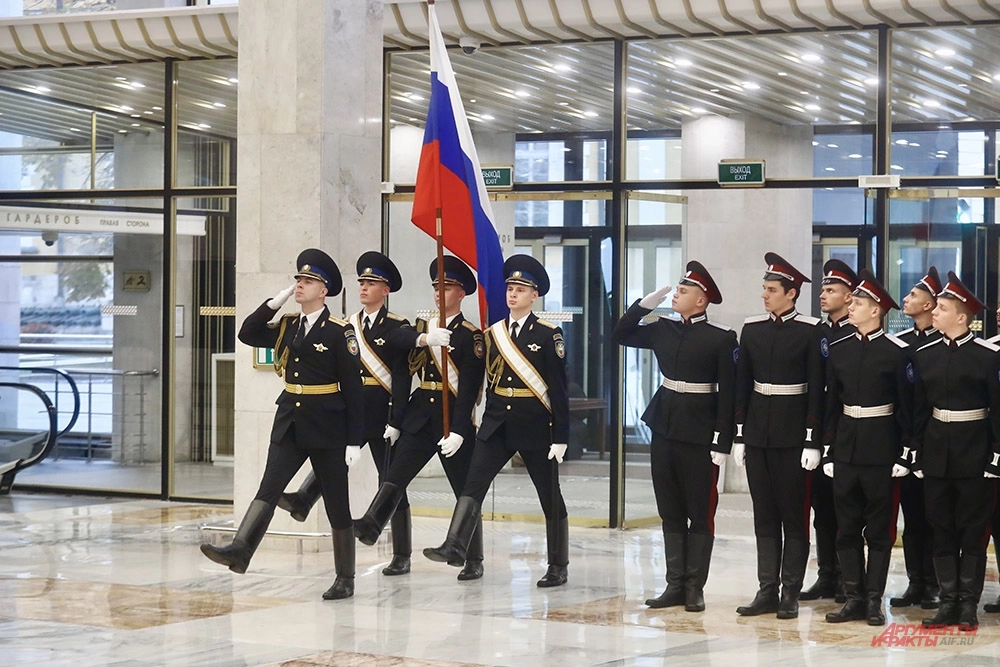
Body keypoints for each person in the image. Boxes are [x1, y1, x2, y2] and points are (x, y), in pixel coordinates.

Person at [200, 248, 365, 600]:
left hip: (328, 425)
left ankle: (345, 578)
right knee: (269, 487)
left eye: (307, 281)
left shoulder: (340, 331)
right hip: (291, 418)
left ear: (324, 290)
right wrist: (272, 304)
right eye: (298, 280)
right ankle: (241, 550)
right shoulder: (288, 324)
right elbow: (247, 333)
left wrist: (355, 440)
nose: (299, 285)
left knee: (337, 501)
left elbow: (354, 387)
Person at [424, 254, 570, 588]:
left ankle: (558, 565)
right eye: (510, 288)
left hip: (535, 426)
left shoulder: (549, 335)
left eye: (521, 289)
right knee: (473, 484)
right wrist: (462, 427)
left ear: (535, 296)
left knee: (549, 494)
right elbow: (475, 384)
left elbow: (559, 391)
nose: (513, 294)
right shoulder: (492, 335)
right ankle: (456, 544)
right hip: (496, 425)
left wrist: (561, 436)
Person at [276, 251, 417, 576]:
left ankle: (402, 554)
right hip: (352, 412)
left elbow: (401, 376)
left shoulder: (396, 325)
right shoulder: (346, 325)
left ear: (386, 290)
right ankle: (302, 500)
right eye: (362, 283)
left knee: (391, 482)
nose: (364, 288)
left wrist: (397, 419)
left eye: (371, 283)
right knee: (333, 464)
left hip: (382, 414)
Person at [611, 261, 737, 612]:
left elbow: (729, 393)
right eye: (677, 289)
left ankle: (695, 587)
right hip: (665, 425)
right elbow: (620, 334)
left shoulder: (722, 337)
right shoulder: (661, 327)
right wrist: (643, 306)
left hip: (700, 431)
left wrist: (723, 441)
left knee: (699, 511)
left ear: (702, 301)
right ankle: (674, 584)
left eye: (684, 291)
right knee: (669, 509)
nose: (676, 294)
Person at [352, 255, 487, 581]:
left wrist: (458, 429)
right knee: (395, 477)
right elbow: (396, 339)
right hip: (419, 414)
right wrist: (426, 337)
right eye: (435, 288)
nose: (439, 293)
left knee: (463, 489)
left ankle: (473, 557)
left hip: (451, 419)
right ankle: (374, 526)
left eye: (447, 287)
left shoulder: (471, 336)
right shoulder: (423, 327)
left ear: (462, 294)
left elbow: (468, 388)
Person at [733, 252, 825, 620]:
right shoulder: (752, 329)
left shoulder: (810, 330)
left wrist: (812, 438)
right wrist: (739, 434)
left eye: (772, 290)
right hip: (758, 433)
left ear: (791, 294)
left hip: (792, 436)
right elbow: (742, 384)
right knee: (764, 515)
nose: (765, 296)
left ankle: (791, 591)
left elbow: (817, 388)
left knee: (793, 515)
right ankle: (766, 590)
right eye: (764, 289)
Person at [822, 269, 913, 626]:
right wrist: (828, 448)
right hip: (846, 448)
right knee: (846, 528)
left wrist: (906, 451)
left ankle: (874, 599)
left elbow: (907, 407)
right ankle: (853, 597)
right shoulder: (840, 349)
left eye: (858, 303)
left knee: (878, 530)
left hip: (881, 449)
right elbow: (832, 403)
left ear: (876, 310)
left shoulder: (897, 352)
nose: (852, 306)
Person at [913, 272, 1000, 630]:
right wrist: (915, 451)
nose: (935, 311)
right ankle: (947, 601)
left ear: (962, 317)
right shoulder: (925, 355)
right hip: (936, 452)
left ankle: (968, 603)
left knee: (972, 530)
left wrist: (996, 456)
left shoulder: (987, 356)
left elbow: (997, 408)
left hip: (973, 453)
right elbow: (919, 409)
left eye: (943, 308)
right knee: (941, 528)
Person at [802, 259, 858, 603]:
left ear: (849, 296)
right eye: (822, 290)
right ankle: (827, 574)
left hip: (849, 431)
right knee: (821, 508)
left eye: (831, 290)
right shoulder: (818, 333)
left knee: (847, 511)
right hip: (818, 429)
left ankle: (850, 579)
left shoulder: (857, 333)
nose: (823, 295)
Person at [889, 267, 942, 611]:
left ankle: (935, 582)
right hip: (902, 442)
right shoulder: (902, 343)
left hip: (935, 441)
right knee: (910, 516)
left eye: (913, 295)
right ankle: (915, 581)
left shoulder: (942, 342)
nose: (906, 300)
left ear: (930, 304)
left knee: (934, 517)